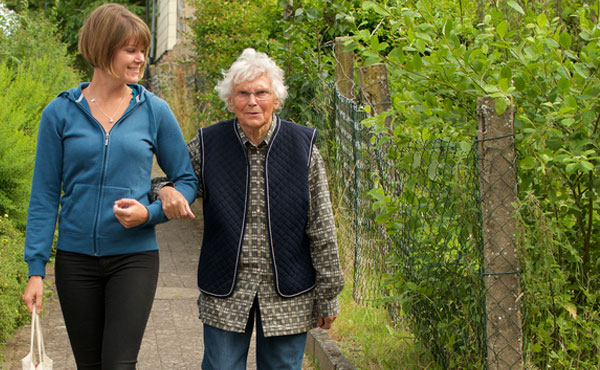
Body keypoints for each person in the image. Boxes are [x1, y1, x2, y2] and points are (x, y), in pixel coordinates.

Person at [22, 3, 197, 369]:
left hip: (134, 258)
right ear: (103, 48)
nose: (140, 60)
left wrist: (148, 213)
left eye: (143, 51)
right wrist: (36, 270)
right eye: (131, 50)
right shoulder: (60, 112)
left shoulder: (154, 111)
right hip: (75, 261)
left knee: (118, 363)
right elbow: (43, 196)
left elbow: (186, 180)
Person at [153, 48, 345, 370]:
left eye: (261, 93)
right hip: (226, 288)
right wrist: (165, 191)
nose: (252, 101)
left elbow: (322, 227)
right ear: (230, 101)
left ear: (276, 99)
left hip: (289, 290)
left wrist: (328, 294)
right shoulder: (208, 144)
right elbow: (172, 182)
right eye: (243, 93)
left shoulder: (304, 149)